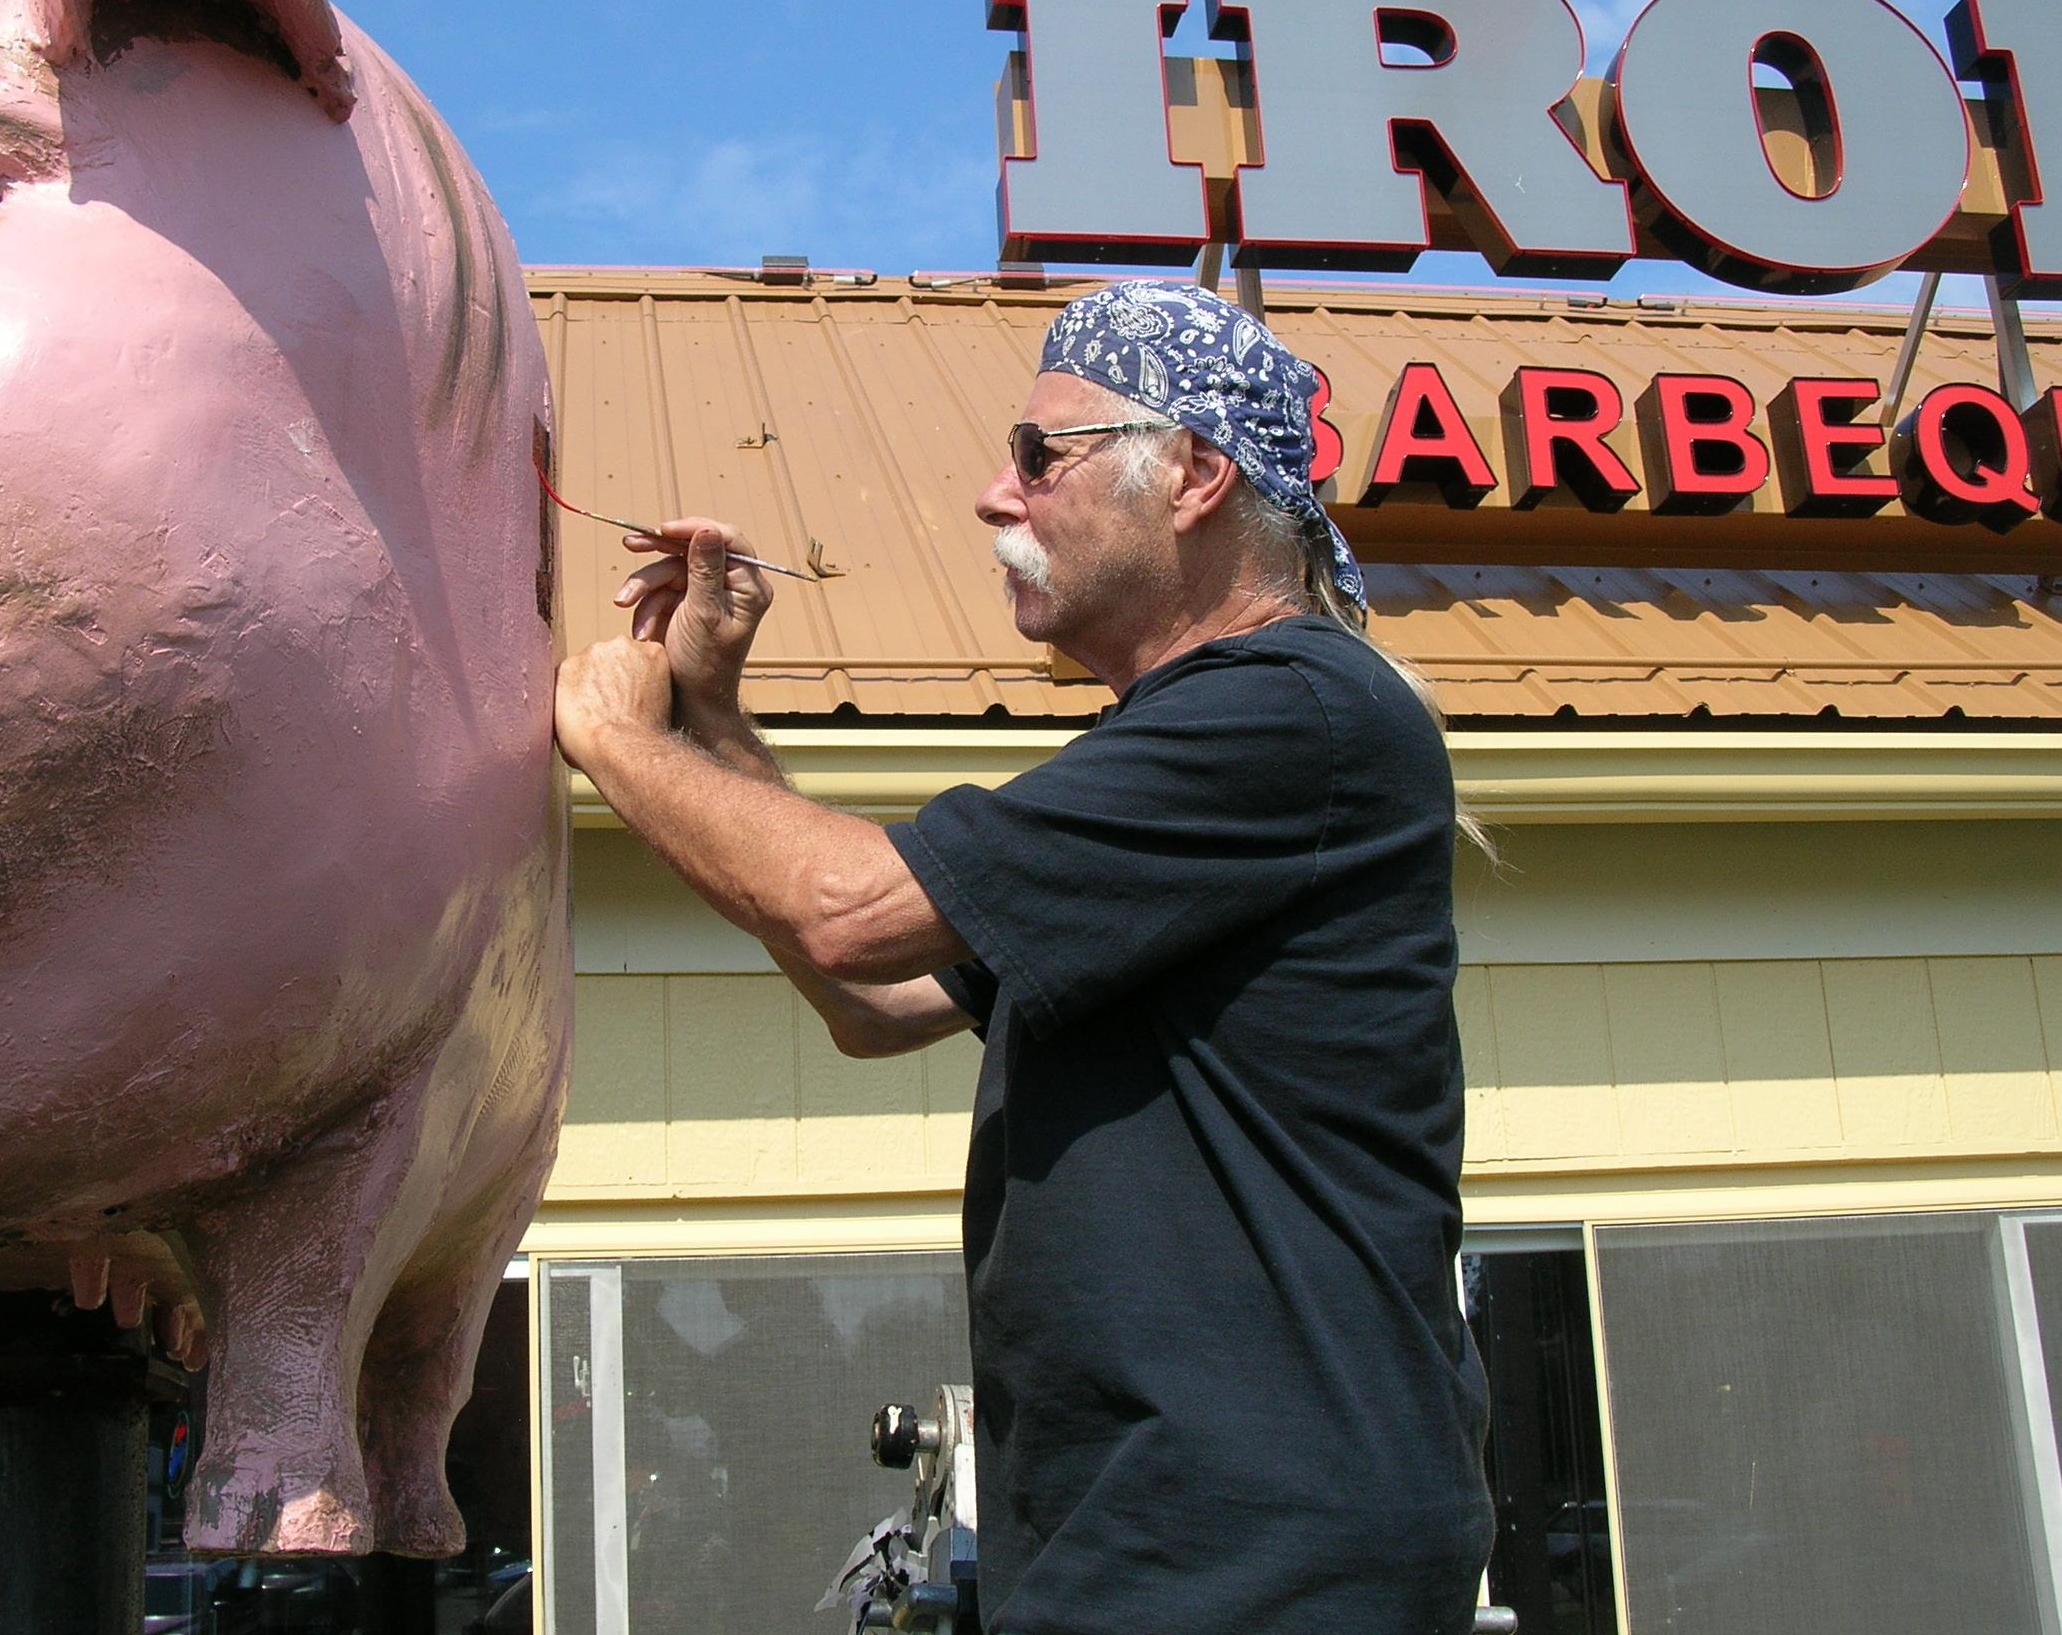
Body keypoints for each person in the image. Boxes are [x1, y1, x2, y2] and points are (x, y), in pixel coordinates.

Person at [552, 280, 1493, 1635]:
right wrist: (709, 719)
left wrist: (617, 740)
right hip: (1146, 1538)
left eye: (1038, 455)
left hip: (1263, 1555)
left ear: (1195, 475)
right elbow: (874, 997)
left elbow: (845, 908)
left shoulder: (1293, 718)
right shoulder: (1190, 761)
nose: (997, 498)